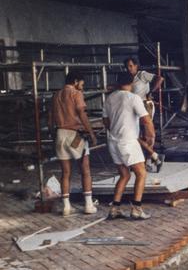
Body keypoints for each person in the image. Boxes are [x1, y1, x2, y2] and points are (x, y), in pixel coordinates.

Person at [103, 72, 155, 220]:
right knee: (141, 173)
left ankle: (115, 208)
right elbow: (146, 120)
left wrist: (118, 128)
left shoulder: (110, 98)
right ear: (131, 83)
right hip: (128, 142)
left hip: (113, 141)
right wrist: (151, 138)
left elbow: (106, 122)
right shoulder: (133, 98)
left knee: (124, 175)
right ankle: (137, 209)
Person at [48, 71, 98, 216]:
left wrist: (53, 134)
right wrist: (91, 133)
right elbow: (82, 114)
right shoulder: (76, 93)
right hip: (75, 136)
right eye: (82, 83)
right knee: (85, 170)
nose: (82, 86)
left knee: (65, 173)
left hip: (60, 135)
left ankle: (66, 207)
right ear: (76, 81)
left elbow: (50, 118)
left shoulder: (56, 95)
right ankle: (88, 205)